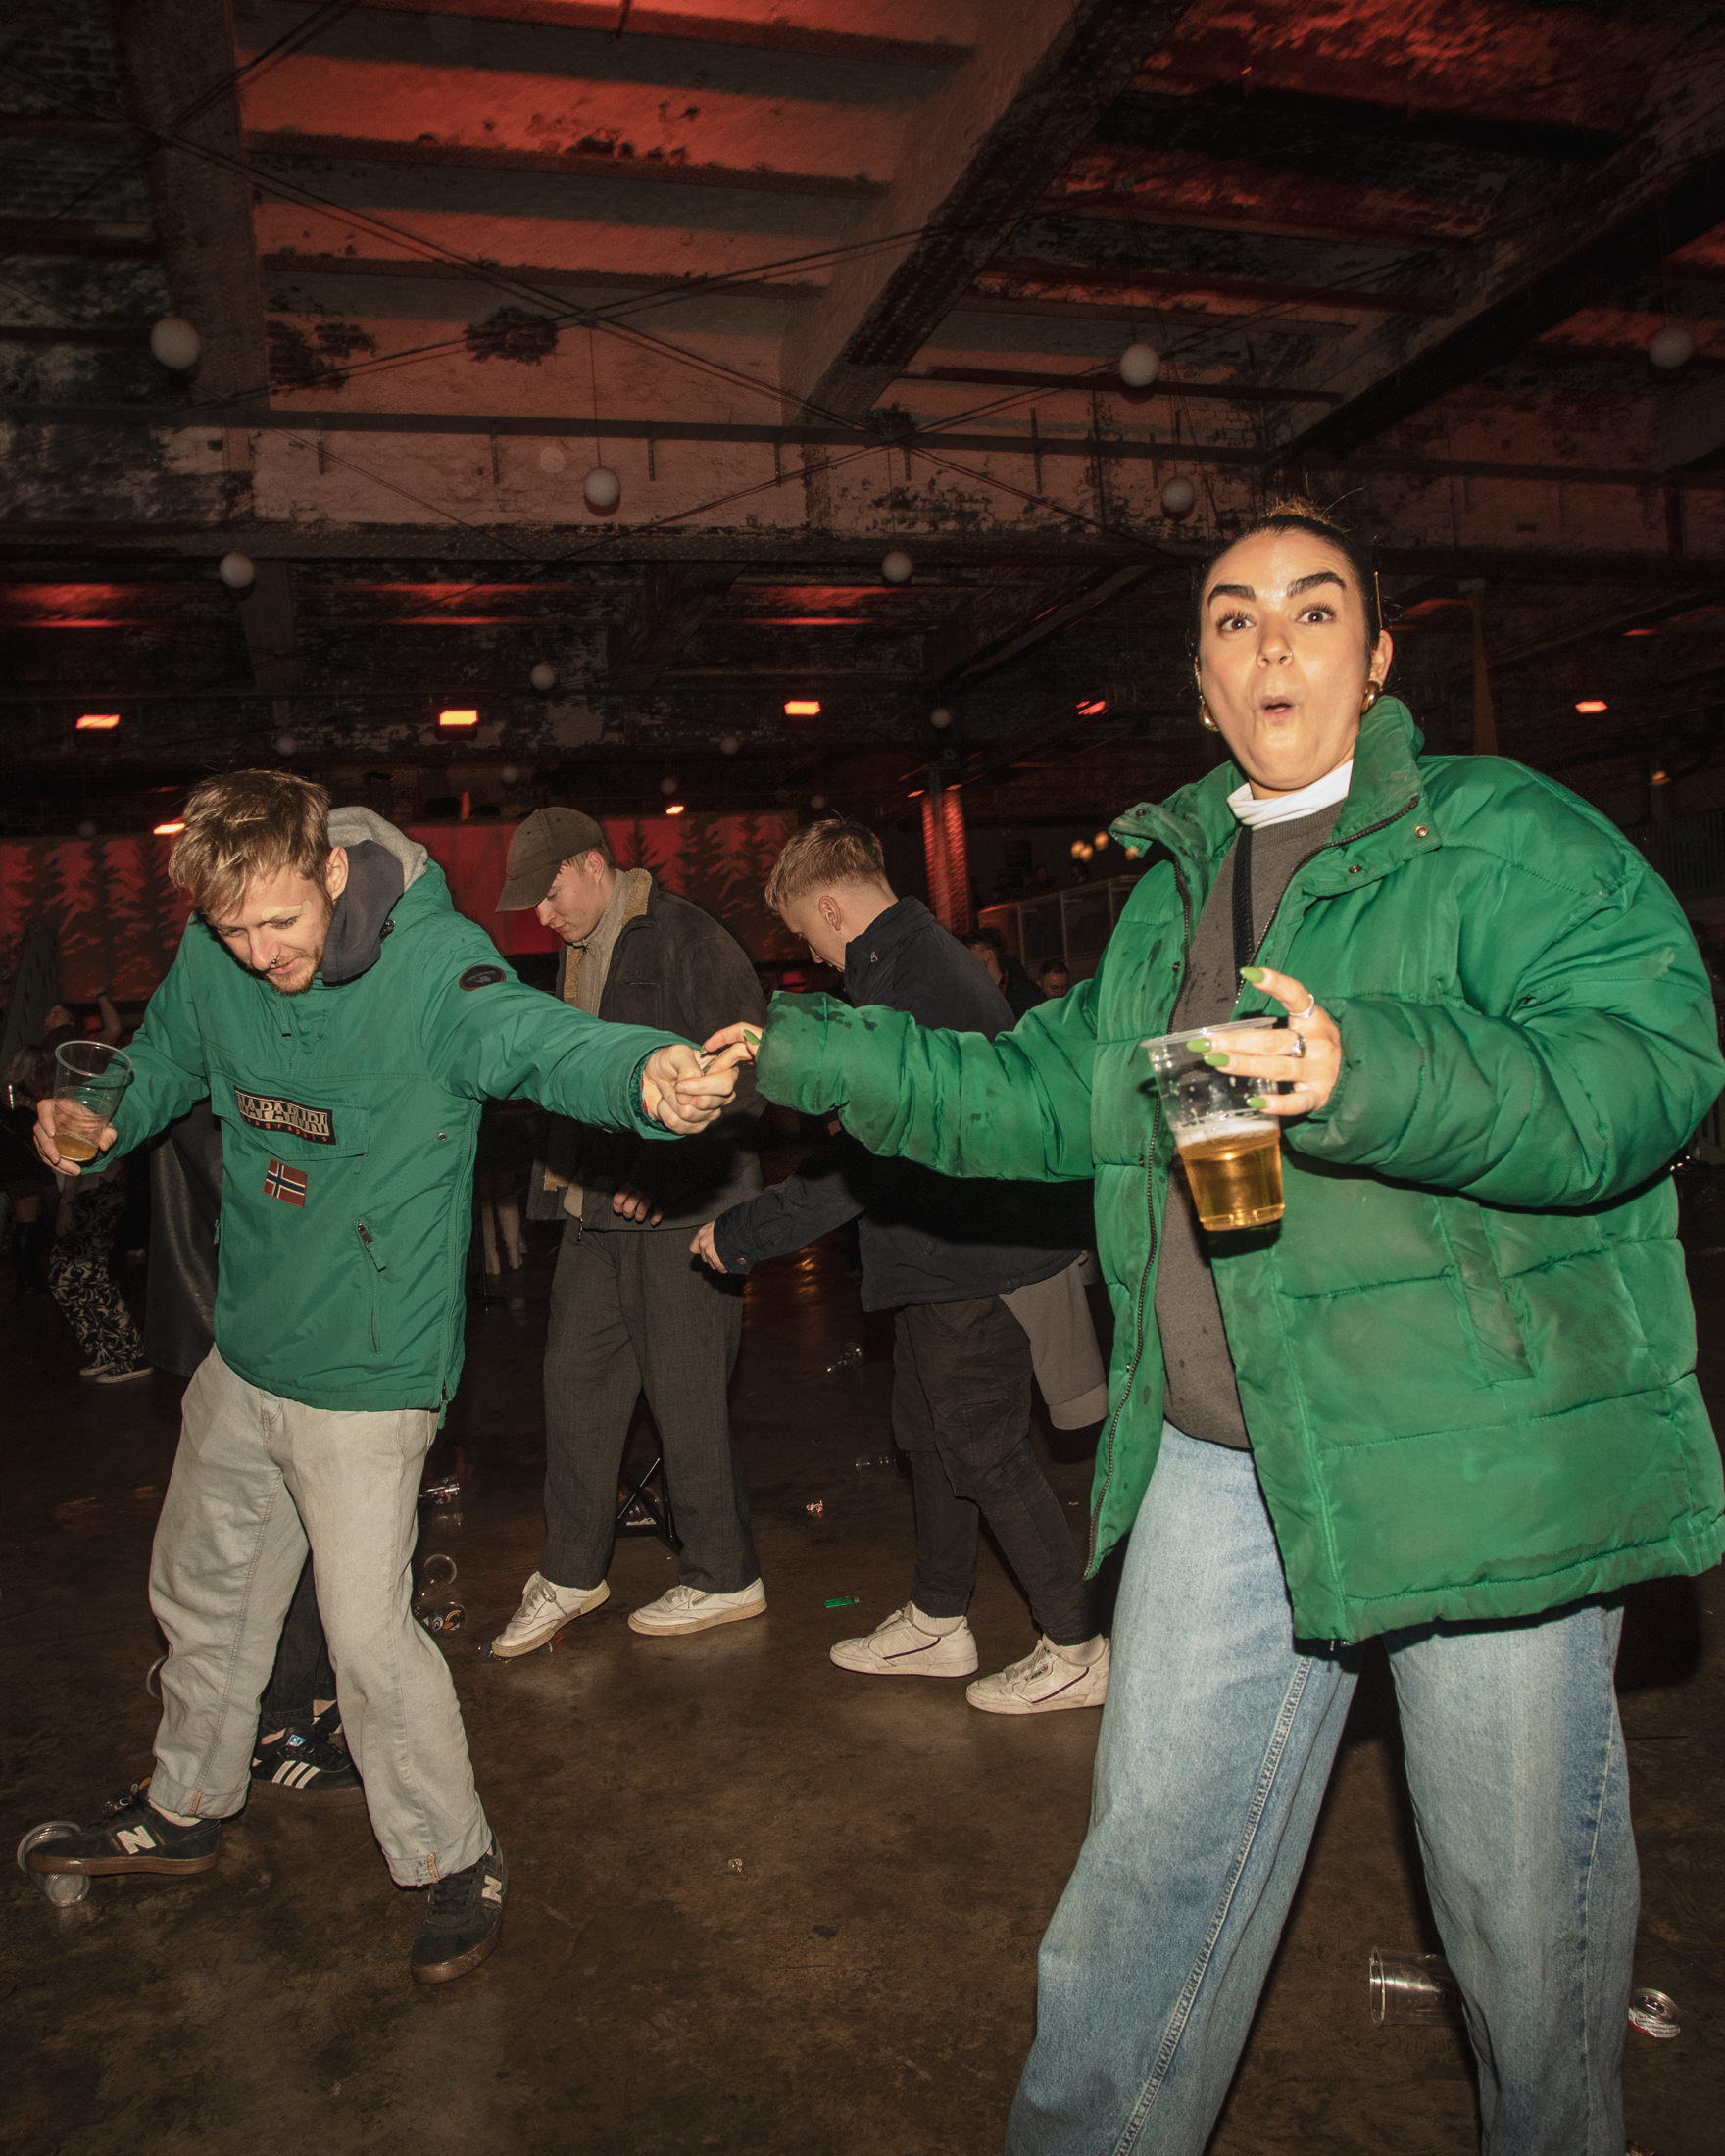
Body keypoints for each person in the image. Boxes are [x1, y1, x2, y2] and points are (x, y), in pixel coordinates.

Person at [707, 499, 1725, 2154]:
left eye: (1315, 611)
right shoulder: (1176, 899)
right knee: (1144, 1893)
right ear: (1200, 681)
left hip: (1478, 1466)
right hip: (1220, 1454)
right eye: (1236, 619)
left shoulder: (1504, 836)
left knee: (1522, 1937)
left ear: (1375, 660)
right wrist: (802, 1052)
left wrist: (1369, 1069)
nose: (1274, 645)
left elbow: (1647, 1067)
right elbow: (1043, 1096)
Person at [25, 776, 740, 1985]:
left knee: (364, 1637)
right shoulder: (216, 956)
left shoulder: (428, 964)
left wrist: (644, 1076)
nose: (260, 954)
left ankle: (455, 1856)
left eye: (279, 923)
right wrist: (98, 1113)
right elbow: (163, 1060)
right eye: (234, 930)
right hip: (251, 1342)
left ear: (331, 871)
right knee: (201, 1592)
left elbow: (528, 1036)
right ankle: (185, 1803)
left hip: (369, 1361)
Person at [694, 819, 1109, 1714]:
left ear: (831, 907)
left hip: (976, 1265)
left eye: (807, 935)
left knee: (987, 1454)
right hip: (935, 1259)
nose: (816, 956)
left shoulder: (924, 980)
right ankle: (938, 1617)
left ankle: (1076, 1644)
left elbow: (872, 1163)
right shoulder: (903, 966)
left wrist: (746, 1232)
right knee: (930, 1438)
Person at [485, 807, 769, 1658]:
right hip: (592, 1213)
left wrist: (668, 1172)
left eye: (548, 894)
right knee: (573, 1384)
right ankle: (572, 1571)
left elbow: (749, 1073)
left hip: (679, 1215)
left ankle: (725, 1575)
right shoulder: (580, 952)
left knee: (684, 1393)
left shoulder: (685, 935)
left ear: (590, 863)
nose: (542, 916)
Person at [962, 925, 1044, 1020]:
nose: (966, 961)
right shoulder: (972, 995)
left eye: (971, 955)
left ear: (988, 955)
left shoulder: (1025, 993)